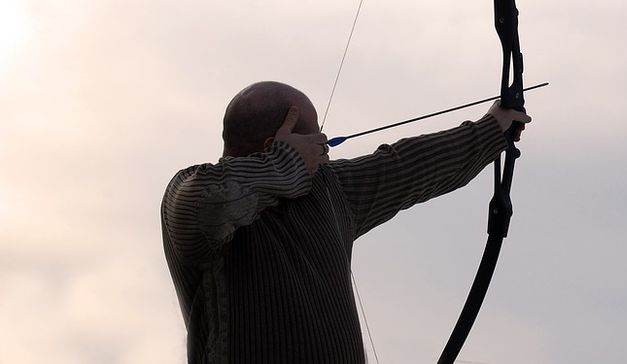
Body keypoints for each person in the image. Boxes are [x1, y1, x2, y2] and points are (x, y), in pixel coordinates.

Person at [161, 80, 531, 363]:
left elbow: (406, 166)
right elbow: (211, 204)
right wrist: (283, 165)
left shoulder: (326, 190)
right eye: (313, 138)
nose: (323, 144)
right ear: (276, 144)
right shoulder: (190, 195)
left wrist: (490, 130)